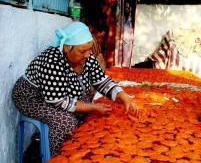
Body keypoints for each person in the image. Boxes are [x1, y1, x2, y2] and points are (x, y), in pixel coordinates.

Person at [12, 21, 139, 155]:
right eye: (83, 51)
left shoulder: (87, 58)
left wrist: (124, 96)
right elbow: (58, 100)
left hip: (60, 94)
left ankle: (83, 150)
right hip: (33, 98)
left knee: (93, 115)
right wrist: (92, 107)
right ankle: (60, 159)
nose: (87, 54)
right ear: (67, 48)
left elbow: (102, 81)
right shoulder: (52, 62)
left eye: (90, 49)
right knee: (66, 121)